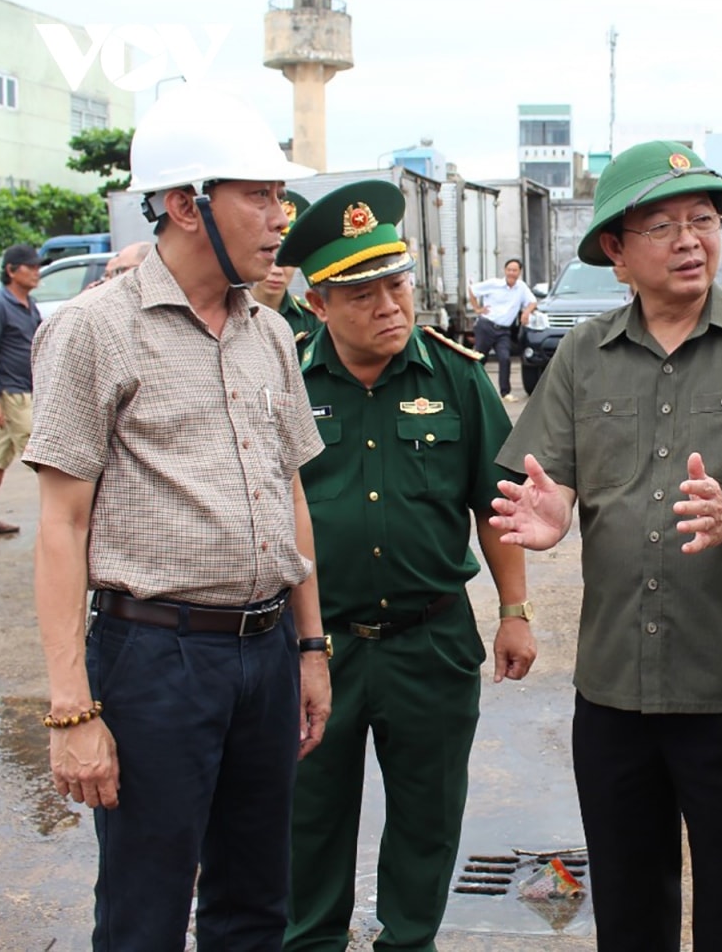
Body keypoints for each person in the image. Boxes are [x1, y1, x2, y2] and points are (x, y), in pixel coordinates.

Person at [490, 140, 722, 952]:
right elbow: (546, 482)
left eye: (703, 219)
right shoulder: (584, 356)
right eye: (663, 225)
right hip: (615, 688)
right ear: (617, 254)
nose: (691, 238)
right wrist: (553, 518)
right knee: (629, 908)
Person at [24, 83, 332, 951]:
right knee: (145, 911)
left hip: (265, 653)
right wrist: (72, 711)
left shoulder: (268, 332)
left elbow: (293, 494)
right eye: (257, 196)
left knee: (256, 905)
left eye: (280, 196)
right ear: (182, 205)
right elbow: (60, 527)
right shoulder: (95, 330)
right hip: (155, 660)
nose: (279, 218)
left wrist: (310, 649)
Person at [277, 180, 538, 951]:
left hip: (430, 642)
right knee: (309, 817)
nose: (389, 305)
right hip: (315, 647)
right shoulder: (284, 378)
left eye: (397, 285)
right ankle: (311, 942)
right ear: (319, 306)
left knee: (428, 817)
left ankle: (409, 941)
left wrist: (514, 611)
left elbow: (499, 504)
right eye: (362, 293)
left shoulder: (457, 376)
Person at [0, 243, 43, 534]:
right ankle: (63, 518)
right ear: (12, 270)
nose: (37, 272)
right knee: (44, 458)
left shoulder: (29, 304)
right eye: (31, 266)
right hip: (12, 395)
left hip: (27, 390)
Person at [249, 190, 321, 356]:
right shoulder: (231, 315)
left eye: (285, 259)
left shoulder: (312, 318)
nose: (277, 270)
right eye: (269, 253)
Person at [468, 257, 537, 401]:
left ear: (519, 272)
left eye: (515, 270)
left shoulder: (521, 288)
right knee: (479, 358)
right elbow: (472, 290)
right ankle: (470, 389)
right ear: (505, 271)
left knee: (505, 358)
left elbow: (532, 301)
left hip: (504, 331)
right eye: (509, 270)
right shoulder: (494, 284)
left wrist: (526, 312)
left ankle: (505, 392)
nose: (511, 273)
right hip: (486, 326)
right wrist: (477, 309)